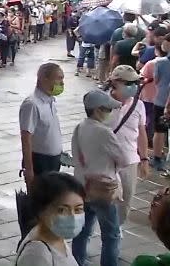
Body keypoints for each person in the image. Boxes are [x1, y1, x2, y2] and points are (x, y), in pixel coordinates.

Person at [71, 89, 130, 266]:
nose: (110, 113)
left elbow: (75, 155)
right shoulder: (104, 132)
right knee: (111, 235)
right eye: (108, 109)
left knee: (83, 231)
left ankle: (77, 261)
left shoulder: (80, 127)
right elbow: (124, 160)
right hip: (103, 190)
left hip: (82, 186)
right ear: (98, 110)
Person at [108, 65, 150, 225]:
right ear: (115, 82)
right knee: (102, 202)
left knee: (125, 202)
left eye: (135, 83)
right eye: (128, 83)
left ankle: (117, 229)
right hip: (105, 161)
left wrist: (144, 159)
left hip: (129, 161)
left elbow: (142, 133)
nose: (133, 87)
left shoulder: (138, 105)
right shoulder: (101, 102)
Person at [13, 172, 85, 266]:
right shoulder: (37, 254)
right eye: (62, 210)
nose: (72, 217)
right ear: (41, 210)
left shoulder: (56, 236)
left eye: (78, 209)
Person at [20, 63, 65, 189]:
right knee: (40, 202)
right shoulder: (32, 104)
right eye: (59, 78)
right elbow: (26, 138)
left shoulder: (50, 101)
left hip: (53, 161)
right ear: (44, 78)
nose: (62, 83)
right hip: (40, 162)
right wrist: (29, 169)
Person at [151, 34, 170, 171]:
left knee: (159, 130)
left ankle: (157, 157)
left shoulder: (160, 62)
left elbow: (156, 80)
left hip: (161, 99)